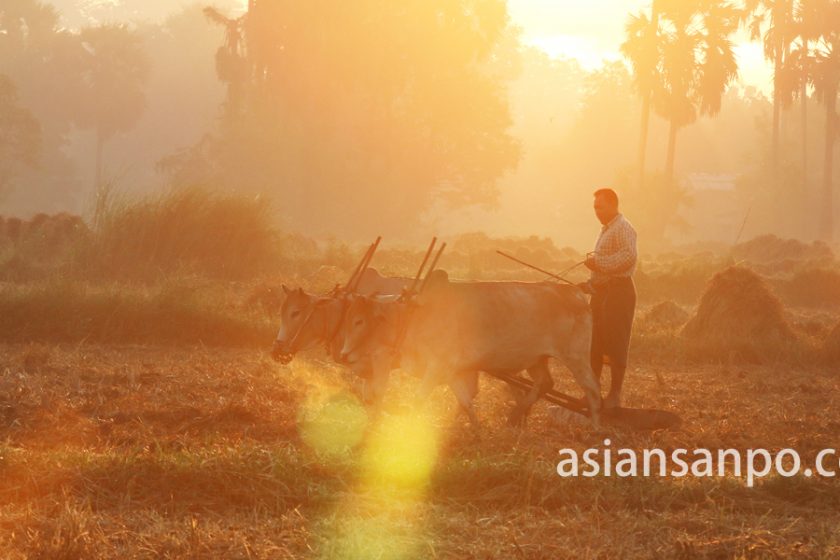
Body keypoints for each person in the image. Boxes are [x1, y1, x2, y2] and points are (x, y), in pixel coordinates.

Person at [578, 188, 637, 410]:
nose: (597, 212)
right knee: (595, 343)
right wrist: (591, 284)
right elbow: (605, 264)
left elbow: (628, 257)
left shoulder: (624, 228)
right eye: (594, 208)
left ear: (613, 204)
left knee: (616, 343)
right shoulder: (606, 230)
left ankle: (614, 395)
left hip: (619, 292)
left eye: (600, 207)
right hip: (603, 292)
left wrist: (598, 264)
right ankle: (593, 392)